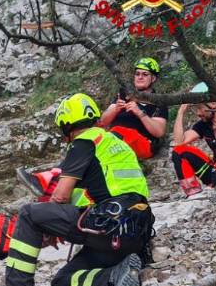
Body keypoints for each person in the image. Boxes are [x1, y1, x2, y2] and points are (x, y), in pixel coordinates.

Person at [0, 93, 153, 286]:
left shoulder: (84, 143)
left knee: (29, 214)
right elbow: (98, 191)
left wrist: (47, 225)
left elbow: (60, 196)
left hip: (109, 225)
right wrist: (57, 223)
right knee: (61, 281)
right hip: (134, 233)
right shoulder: (114, 142)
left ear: (66, 126)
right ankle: (113, 276)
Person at [16, 58, 168, 198]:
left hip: (142, 143)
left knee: (104, 137)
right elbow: (101, 121)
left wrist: (139, 112)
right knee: (89, 138)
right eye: (137, 74)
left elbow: (159, 131)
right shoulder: (124, 94)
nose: (139, 77)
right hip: (114, 143)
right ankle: (51, 182)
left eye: (145, 74)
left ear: (153, 78)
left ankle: (50, 181)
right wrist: (115, 108)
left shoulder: (158, 101)